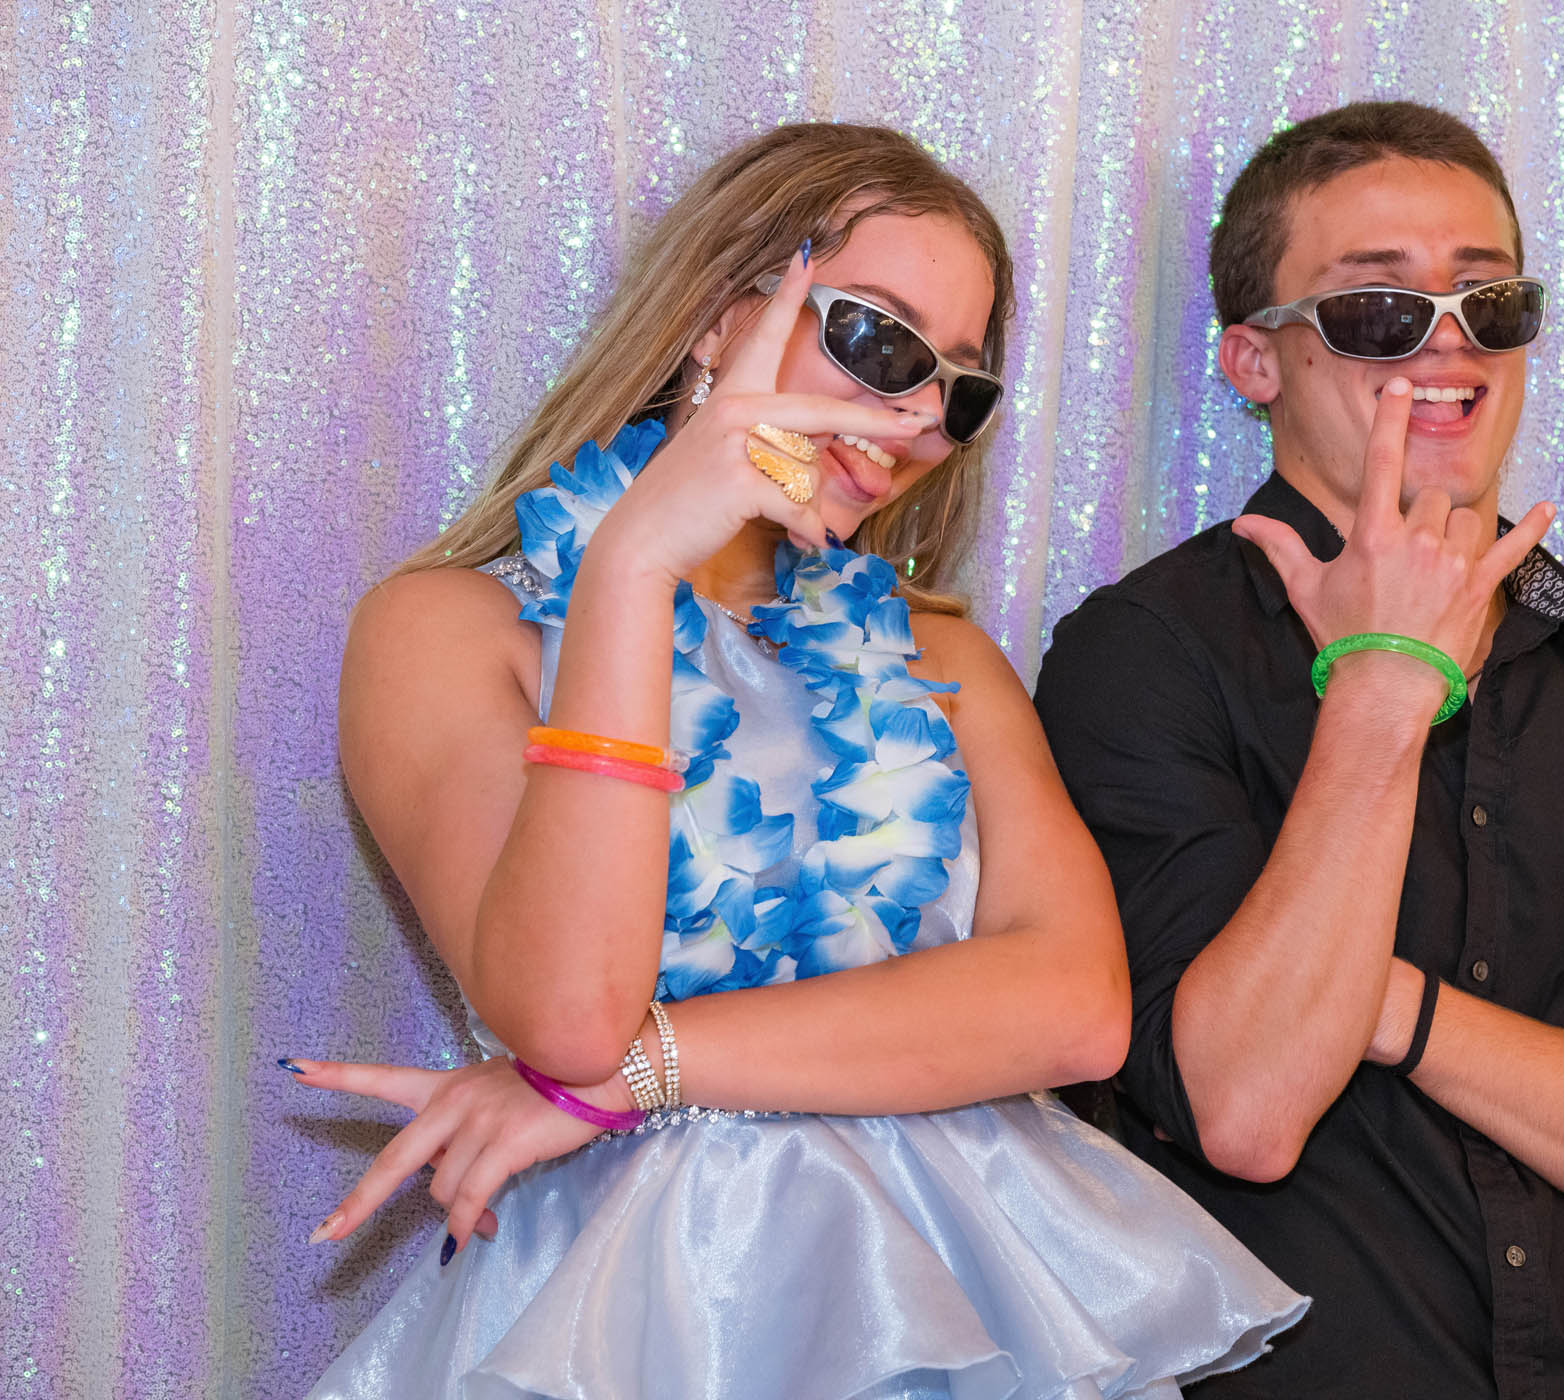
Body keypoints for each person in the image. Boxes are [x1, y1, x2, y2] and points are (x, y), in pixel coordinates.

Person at [288, 122, 1305, 1400]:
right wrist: (634, 570)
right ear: (720, 314)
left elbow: (1077, 1006)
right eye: (879, 340)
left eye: (959, 386)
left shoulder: (946, 655)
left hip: (969, 1300)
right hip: (633, 1323)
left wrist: (631, 1076)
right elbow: (563, 1015)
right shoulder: (444, 627)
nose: (917, 414)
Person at [1033, 100, 1564, 1397]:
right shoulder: (1145, 654)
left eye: (1486, 300)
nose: (1448, 344)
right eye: (1378, 309)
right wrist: (1387, 686)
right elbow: (1248, 1102)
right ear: (1254, 361)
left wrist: (1387, 1004)